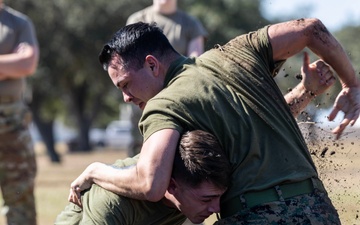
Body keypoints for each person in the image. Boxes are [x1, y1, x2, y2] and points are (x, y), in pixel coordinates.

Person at [71, 18, 360, 224]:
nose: (126, 98)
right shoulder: (237, 52)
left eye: (125, 84)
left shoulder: (164, 104)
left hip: (253, 215)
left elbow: (150, 183)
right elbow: (311, 29)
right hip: (319, 211)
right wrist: (351, 85)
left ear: (151, 64)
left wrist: (96, 171)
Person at [55, 130, 231, 224]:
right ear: (170, 186)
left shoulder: (187, 200)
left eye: (219, 197)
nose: (216, 208)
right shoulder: (112, 202)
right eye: (207, 199)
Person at [126, 0, 208, 158]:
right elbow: (129, 62)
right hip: (143, 97)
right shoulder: (137, 19)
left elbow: (195, 61)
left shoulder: (191, 24)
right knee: (139, 150)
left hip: (176, 97)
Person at [0, 1, 39, 225]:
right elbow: (18, 64)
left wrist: (19, 64)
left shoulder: (18, 23)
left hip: (12, 124)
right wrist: (8, 66)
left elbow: (27, 63)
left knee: (20, 199)